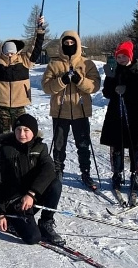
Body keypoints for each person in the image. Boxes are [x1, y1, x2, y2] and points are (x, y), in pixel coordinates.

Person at [0, 114, 64, 245]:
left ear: (33, 132)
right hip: (14, 201)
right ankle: (13, 221)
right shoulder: (4, 150)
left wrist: (31, 193)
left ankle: (46, 222)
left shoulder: (40, 148)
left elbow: (49, 170)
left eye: (26, 130)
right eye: (18, 129)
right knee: (33, 238)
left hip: (30, 197)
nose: (21, 133)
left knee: (55, 184)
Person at [42, 30, 102, 189]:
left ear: (77, 44)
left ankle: (85, 172)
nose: (69, 46)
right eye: (66, 43)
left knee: (83, 144)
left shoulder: (86, 63)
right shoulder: (54, 64)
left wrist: (79, 80)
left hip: (80, 110)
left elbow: (95, 86)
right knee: (59, 144)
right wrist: (61, 81)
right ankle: (57, 171)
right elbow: (47, 87)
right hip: (60, 110)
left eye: (72, 43)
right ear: (61, 45)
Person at [0, 16, 46, 136]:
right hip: (2, 107)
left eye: (12, 52)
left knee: (20, 137)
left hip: (19, 107)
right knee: (2, 138)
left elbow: (36, 48)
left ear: (16, 52)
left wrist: (39, 30)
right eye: (7, 52)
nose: (9, 54)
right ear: (3, 51)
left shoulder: (25, 61)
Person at [99, 41, 138, 198]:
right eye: (119, 56)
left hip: (134, 114)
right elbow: (107, 93)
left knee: (135, 146)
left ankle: (135, 174)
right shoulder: (113, 73)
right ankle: (117, 173)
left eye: (124, 56)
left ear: (130, 56)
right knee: (117, 145)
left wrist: (127, 92)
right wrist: (111, 83)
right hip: (116, 114)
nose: (121, 59)